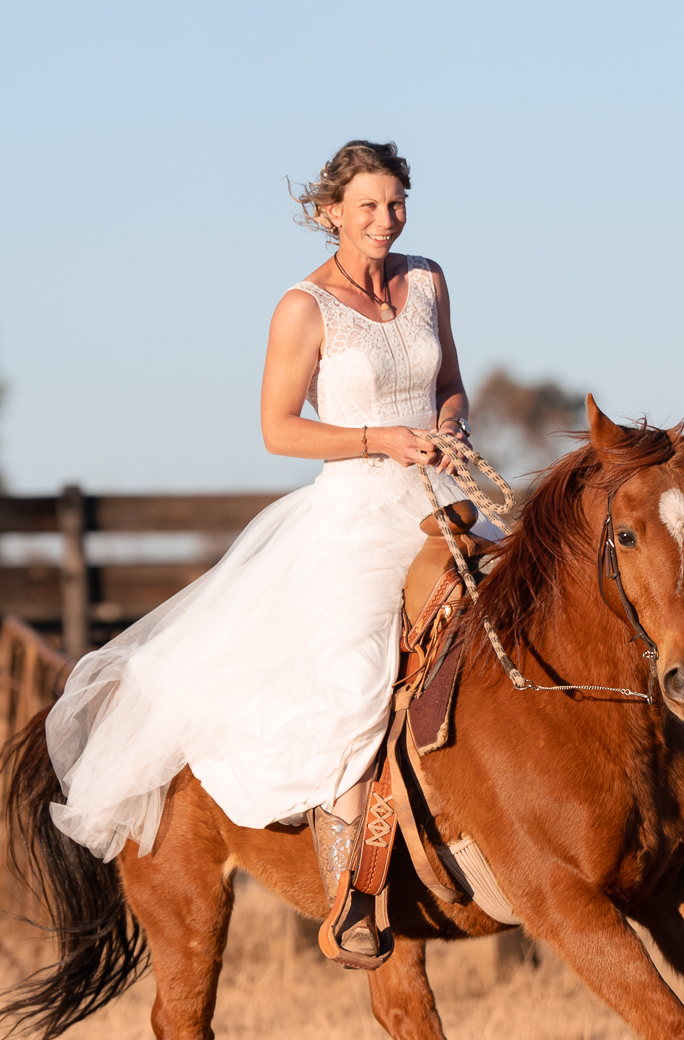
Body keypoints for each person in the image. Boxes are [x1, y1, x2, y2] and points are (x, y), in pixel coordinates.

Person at [44, 139, 471, 966]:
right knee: (354, 681)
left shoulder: (427, 281)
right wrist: (382, 437)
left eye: (396, 203)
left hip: (437, 503)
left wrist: (450, 424)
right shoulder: (304, 308)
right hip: (353, 516)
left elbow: (449, 377)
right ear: (330, 214)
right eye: (369, 206)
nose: (387, 220)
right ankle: (353, 895)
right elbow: (279, 428)